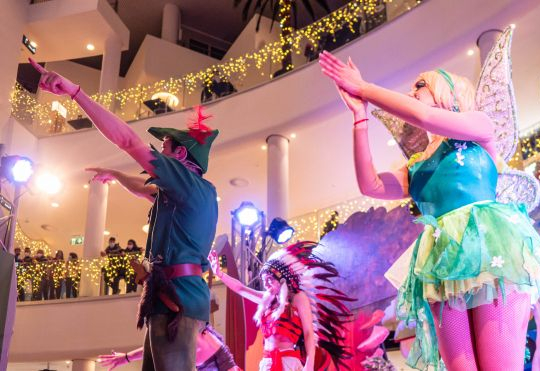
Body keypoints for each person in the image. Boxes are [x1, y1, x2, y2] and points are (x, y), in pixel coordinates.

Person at [319, 50, 540, 370]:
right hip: (442, 262)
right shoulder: (417, 165)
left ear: (450, 93)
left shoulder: (479, 127)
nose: (411, 93)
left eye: (420, 85)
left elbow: (425, 118)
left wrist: (364, 87)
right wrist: (359, 117)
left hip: (490, 249)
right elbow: (371, 186)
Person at [30, 58, 220, 371]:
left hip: (177, 298)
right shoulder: (187, 193)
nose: (160, 154)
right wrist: (116, 175)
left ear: (181, 155)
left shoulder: (186, 184)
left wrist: (76, 93)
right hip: (175, 297)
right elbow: (143, 189)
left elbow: (128, 140)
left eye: (166, 148)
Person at [209, 242, 353, 371]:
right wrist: (220, 274)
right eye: (264, 281)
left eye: (270, 279)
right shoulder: (268, 300)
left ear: (282, 279)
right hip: (267, 363)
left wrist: (309, 363)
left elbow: (309, 332)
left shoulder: (297, 298)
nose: (266, 284)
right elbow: (241, 289)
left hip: (288, 362)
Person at [98, 324, 241, 371]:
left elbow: (159, 347)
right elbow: (158, 347)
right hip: (210, 359)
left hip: (216, 359)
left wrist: (127, 357)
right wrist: (127, 357)